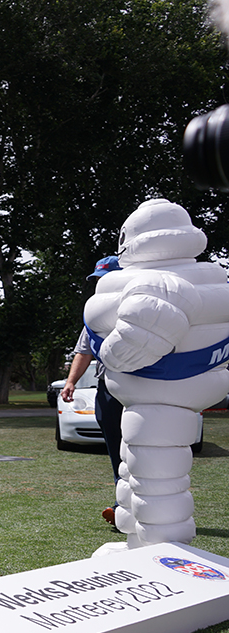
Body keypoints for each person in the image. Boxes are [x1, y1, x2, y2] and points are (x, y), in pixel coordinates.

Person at [85, 199, 229, 550]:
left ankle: (167, 557)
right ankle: (136, 540)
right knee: (136, 466)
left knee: (158, 478)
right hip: (153, 393)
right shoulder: (206, 280)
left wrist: (108, 354)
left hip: (159, 394)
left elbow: (140, 334)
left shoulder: (157, 285)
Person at [62, 256, 123, 530]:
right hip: (107, 389)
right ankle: (123, 505)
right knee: (117, 450)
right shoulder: (96, 314)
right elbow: (84, 351)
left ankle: (151, 505)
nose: (99, 284)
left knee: (144, 446)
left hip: (141, 389)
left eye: (104, 278)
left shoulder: (141, 306)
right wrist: (71, 382)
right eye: (97, 280)